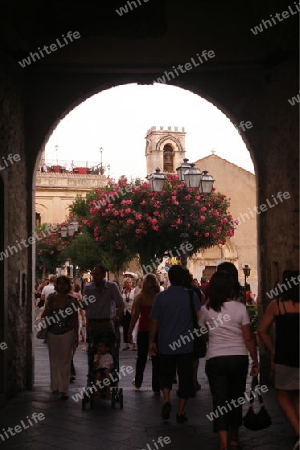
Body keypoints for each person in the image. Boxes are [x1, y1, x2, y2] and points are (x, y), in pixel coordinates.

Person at [199, 271, 258, 450]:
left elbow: (203, 335)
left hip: (216, 358)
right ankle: (234, 437)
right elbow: (248, 338)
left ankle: (223, 443)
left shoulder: (205, 310)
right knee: (236, 398)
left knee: (220, 400)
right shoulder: (240, 308)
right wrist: (255, 360)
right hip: (238, 358)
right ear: (230, 288)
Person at [149, 265, 201, 423]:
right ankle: (181, 411)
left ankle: (166, 400)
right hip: (186, 343)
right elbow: (200, 318)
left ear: (169, 278)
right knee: (185, 377)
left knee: (166, 374)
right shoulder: (192, 296)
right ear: (184, 278)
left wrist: (151, 341)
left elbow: (154, 321)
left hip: (166, 343)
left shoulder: (160, 297)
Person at [258, 270, 299, 450]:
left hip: (284, 356)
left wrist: (273, 350)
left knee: (282, 396)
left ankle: (298, 431)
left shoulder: (277, 306)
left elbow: (261, 330)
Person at [42, 276, 79, 399]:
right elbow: (44, 314)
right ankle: (55, 386)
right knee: (54, 360)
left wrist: (76, 335)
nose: (62, 286)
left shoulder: (72, 300)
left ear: (68, 285)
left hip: (68, 331)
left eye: (64, 283)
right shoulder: (51, 298)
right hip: (52, 331)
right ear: (56, 285)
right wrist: (47, 310)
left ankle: (64, 388)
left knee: (66, 360)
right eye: (60, 283)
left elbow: (74, 318)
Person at [82, 264, 124, 360]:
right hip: (92, 323)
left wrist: (118, 317)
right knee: (93, 352)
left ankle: (110, 373)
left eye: (96, 274)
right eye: (93, 274)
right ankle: (94, 373)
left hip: (107, 323)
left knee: (109, 352)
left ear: (103, 275)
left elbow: (121, 303)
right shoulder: (88, 288)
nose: (94, 277)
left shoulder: (112, 287)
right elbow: (84, 305)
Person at [128, 273, 160, 393]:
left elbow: (135, 316)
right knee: (156, 359)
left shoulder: (139, 297)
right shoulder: (159, 297)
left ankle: (138, 381)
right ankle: (156, 386)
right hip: (157, 330)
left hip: (143, 329)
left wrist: (130, 332)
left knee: (141, 357)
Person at [121, 277, 135, 350]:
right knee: (125, 327)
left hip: (132, 311)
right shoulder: (122, 291)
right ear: (124, 283)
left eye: (130, 282)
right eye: (127, 282)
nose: (128, 284)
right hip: (125, 312)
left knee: (133, 327)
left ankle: (134, 344)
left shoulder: (134, 291)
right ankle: (126, 343)